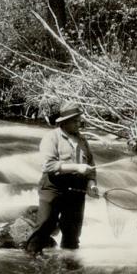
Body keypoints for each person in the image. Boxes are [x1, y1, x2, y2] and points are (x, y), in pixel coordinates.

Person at [24, 100, 98, 254]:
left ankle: (69, 265)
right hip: (53, 187)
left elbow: (91, 165)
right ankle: (31, 257)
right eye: (75, 121)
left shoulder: (83, 140)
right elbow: (48, 165)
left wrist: (91, 183)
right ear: (64, 122)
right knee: (45, 225)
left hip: (77, 189)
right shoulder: (51, 138)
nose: (79, 124)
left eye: (79, 120)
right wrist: (77, 167)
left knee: (72, 232)